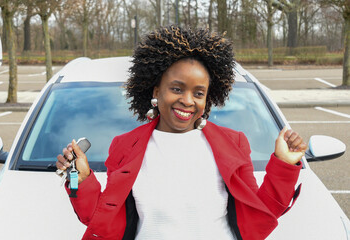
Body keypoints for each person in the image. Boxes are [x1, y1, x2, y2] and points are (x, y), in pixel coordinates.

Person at [56, 26, 307, 240]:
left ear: (208, 98)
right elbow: (102, 220)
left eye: (198, 93)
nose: (187, 100)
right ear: (156, 91)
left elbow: (259, 213)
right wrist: (83, 176)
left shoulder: (233, 143)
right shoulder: (125, 146)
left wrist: (284, 164)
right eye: (177, 89)